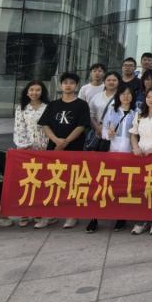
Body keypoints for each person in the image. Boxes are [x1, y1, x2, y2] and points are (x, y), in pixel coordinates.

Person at [41, 71, 93, 229]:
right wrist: (56, 141)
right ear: (60, 85)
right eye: (65, 83)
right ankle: (49, 215)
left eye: (71, 83)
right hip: (54, 148)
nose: (68, 85)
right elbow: (45, 125)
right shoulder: (53, 104)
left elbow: (82, 126)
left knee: (72, 181)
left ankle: (71, 215)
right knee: (52, 181)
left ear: (77, 86)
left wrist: (65, 142)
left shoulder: (82, 104)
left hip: (74, 148)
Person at [86, 84, 136, 234]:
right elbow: (103, 132)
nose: (126, 96)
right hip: (110, 152)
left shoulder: (136, 113)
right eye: (123, 94)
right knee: (104, 185)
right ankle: (94, 217)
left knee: (123, 187)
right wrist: (109, 134)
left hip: (128, 155)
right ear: (118, 96)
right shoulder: (112, 111)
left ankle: (121, 217)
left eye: (129, 94)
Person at [12, 80, 51, 229]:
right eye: (32, 90)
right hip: (27, 149)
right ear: (27, 92)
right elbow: (19, 128)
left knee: (42, 181)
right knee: (27, 181)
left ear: (42, 92)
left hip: (45, 148)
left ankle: (40, 212)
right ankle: (25, 213)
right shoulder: (21, 108)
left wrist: (48, 146)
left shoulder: (48, 107)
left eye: (38, 90)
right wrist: (25, 146)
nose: (34, 92)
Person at [130, 87, 152, 235]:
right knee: (141, 189)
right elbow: (133, 134)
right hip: (141, 156)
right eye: (148, 97)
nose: (151, 100)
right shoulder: (139, 115)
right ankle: (141, 220)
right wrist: (135, 148)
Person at [89, 72, 120, 150]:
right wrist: (97, 128)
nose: (111, 82)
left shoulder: (122, 97)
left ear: (119, 82)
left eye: (114, 80)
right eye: (108, 80)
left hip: (116, 134)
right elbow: (91, 114)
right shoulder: (97, 96)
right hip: (99, 132)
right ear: (104, 82)